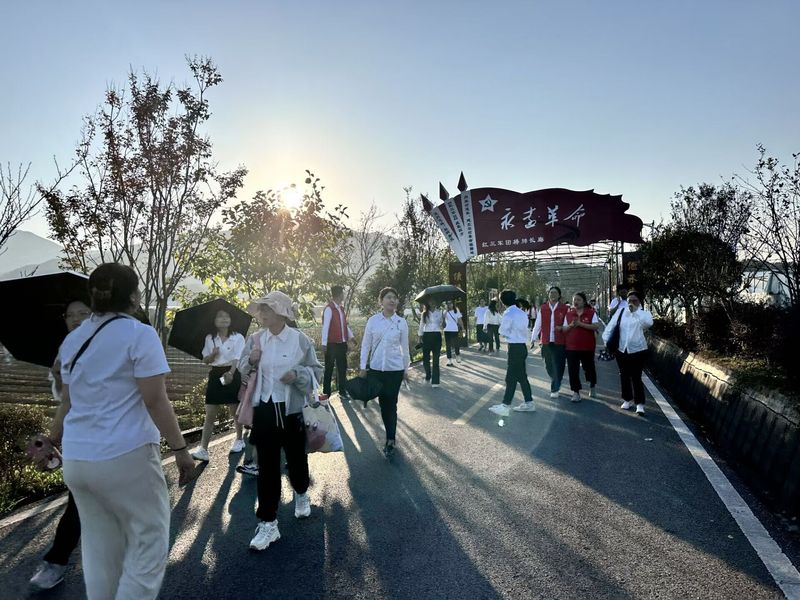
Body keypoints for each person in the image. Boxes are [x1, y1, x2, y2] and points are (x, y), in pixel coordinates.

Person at [33, 262, 195, 600]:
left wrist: (51, 440)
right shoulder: (139, 334)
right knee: (148, 541)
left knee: (100, 547)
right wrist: (180, 450)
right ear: (134, 296)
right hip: (125, 456)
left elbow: (68, 401)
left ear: (94, 297)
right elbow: (155, 399)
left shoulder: (74, 339)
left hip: (79, 461)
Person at [239, 292, 322, 551]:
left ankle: (301, 492)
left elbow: (316, 371)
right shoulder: (255, 339)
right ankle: (268, 522)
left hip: (292, 411)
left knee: (296, 460)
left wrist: (297, 375)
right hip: (264, 410)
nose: (262, 314)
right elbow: (242, 369)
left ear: (282, 313)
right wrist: (250, 361)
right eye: (261, 309)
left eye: (268, 309)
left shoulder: (299, 340)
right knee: (267, 468)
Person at [28, 300, 92, 591]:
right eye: (70, 315)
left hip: (114, 437)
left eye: (83, 313)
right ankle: (56, 562)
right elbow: (63, 399)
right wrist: (57, 376)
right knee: (78, 500)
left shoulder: (110, 347)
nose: (76, 319)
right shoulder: (65, 349)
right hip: (80, 437)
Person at [360, 287, 410, 459]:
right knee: (383, 404)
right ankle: (390, 434)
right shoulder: (373, 321)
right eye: (388, 297)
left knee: (391, 403)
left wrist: (406, 369)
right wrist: (362, 367)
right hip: (376, 370)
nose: (392, 300)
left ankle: (390, 439)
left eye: (394, 297)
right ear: (381, 301)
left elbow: (405, 348)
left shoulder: (401, 322)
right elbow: (366, 345)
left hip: (395, 370)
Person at [190, 309, 246, 462]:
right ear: (214, 321)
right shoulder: (210, 338)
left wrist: (231, 373)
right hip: (216, 374)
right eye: (220, 316)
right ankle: (203, 449)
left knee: (234, 410)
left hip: (232, 372)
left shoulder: (237, 337)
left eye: (227, 316)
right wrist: (212, 355)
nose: (224, 319)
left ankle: (239, 439)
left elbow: (237, 357)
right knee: (210, 412)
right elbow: (205, 360)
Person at [602, 290, 653, 415]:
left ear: (640, 302)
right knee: (624, 375)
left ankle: (639, 404)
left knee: (636, 377)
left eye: (635, 301)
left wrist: (635, 312)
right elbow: (611, 326)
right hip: (621, 349)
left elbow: (648, 324)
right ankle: (627, 399)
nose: (632, 303)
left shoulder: (644, 314)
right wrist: (606, 341)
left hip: (638, 350)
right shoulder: (621, 312)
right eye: (630, 301)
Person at [489, 289, 535, 416]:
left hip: (514, 348)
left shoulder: (508, 313)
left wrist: (508, 333)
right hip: (522, 347)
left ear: (503, 301)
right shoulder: (521, 313)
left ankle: (505, 405)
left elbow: (502, 331)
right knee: (521, 377)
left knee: (510, 378)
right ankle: (529, 402)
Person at [531, 286, 569, 399]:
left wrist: (562, 329)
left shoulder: (564, 308)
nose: (552, 294)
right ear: (548, 294)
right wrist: (533, 338)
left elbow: (566, 324)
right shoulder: (543, 308)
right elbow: (538, 324)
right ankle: (556, 380)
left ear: (559, 295)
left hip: (559, 341)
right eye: (551, 292)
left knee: (559, 364)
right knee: (548, 365)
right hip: (546, 341)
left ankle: (555, 388)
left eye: (555, 293)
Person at [563, 292, 600, 402]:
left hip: (587, 347)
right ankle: (576, 392)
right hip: (571, 347)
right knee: (572, 370)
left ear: (584, 302)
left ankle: (592, 385)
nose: (576, 302)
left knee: (589, 368)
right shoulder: (569, 314)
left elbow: (596, 326)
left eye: (578, 300)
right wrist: (570, 326)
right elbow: (564, 329)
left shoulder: (591, 313)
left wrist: (580, 324)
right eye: (574, 300)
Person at [321, 285, 354, 400]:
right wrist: (324, 343)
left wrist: (351, 337)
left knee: (342, 368)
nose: (343, 295)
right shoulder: (329, 309)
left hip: (341, 344)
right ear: (339, 295)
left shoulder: (341, 309)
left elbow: (344, 325)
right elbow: (325, 327)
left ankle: (342, 392)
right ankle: (326, 394)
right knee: (329, 369)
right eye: (342, 293)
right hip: (331, 344)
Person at [418, 300, 443, 387]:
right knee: (426, 359)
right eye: (431, 301)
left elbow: (443, 325)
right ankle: (428, 375)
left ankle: (435, 381)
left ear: (436, 303)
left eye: (434, 301)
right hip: (427, 336)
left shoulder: (440, 313)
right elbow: (421, 325)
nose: (432, 303)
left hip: (437, 336)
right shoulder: (424, 313)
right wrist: (420, 337)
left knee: (436, 360)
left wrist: (444, 321)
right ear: (428, 303)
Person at [443, 300, 464, 366]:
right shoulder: (445, 311)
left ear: (453, 304)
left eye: (450, 303)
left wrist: (463, 328)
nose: (449, 305)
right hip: (447, 330)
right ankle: (449, 360)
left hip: (454, 329)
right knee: (448, 345)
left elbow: (460, 320)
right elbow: (443, 319)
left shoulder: (456, 310)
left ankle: (457, 355)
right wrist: (446, 311)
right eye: (448, 303)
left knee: (456, 344)